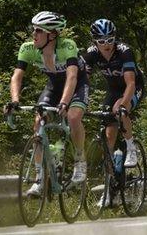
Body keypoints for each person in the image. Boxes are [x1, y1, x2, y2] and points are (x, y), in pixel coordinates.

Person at [6, 11, 89, 195]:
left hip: (76, 85)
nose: (33, 34)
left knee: (74, 118)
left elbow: (73, 76)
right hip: (53, 86)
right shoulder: (28, 49)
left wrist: (65, 103)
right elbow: (17, 76)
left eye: (38, 31)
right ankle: (40, 179)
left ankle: (79, 160)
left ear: (52, 35)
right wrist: (14, 100)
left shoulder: (67, 46)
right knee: (38, 121)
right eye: (33, 29)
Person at [82, 19, 145, 168]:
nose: (106, 45)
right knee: (109, 135)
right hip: (113, 90)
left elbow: (131, 83)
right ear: (94, 41)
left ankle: (131, 148)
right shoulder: (92, 53)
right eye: (101, 41)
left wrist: (123, 105)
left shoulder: (124, 51)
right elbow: (82, 81)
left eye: (110, 40)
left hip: (133, 87)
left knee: (119, 111)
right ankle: (110, 179)